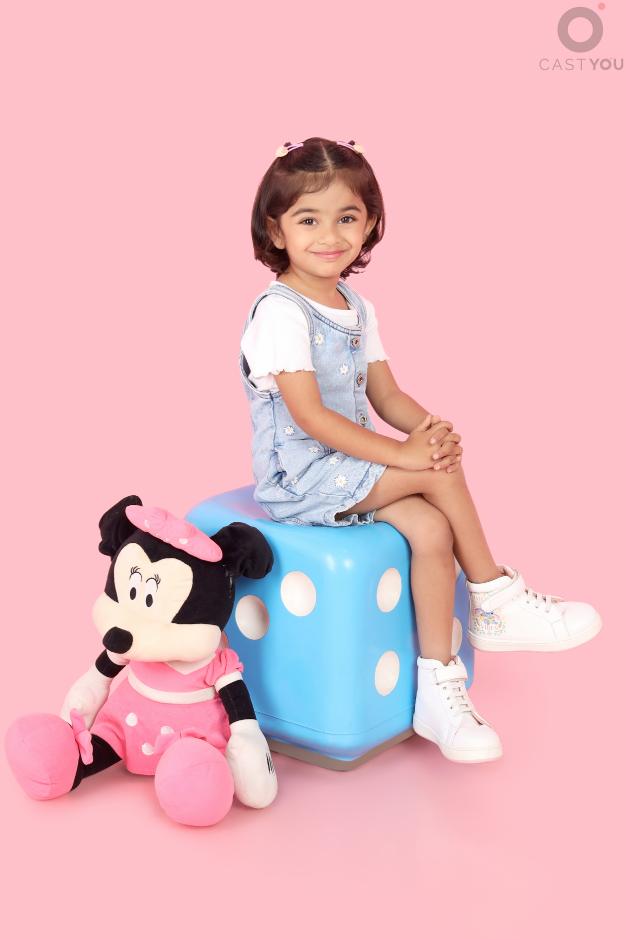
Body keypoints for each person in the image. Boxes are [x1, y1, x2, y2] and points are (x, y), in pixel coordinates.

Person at [239, 136, 602, 764]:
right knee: (432, 474)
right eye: (308, 219)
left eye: (347, 217)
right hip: (300, 478)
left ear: (370, 224)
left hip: (347, 467)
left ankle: (438, 687)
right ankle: (494, 597)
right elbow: (310, 416)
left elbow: (385, 394)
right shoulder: (280, 312)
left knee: (432, 528)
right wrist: (405, 456)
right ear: (276, 230)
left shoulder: (356, 307)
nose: (330, 235)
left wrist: (429, 429)